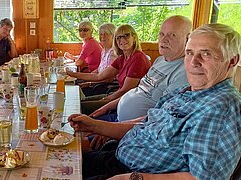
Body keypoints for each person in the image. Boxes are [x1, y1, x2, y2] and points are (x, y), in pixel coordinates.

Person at [69, 23, 241, 180]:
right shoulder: (187, 92)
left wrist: (132, 178)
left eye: (206, 54)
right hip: (118, 154)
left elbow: (202, 178)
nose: (194, 62)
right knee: (58, 157)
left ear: (232, 60)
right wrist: (95, 126)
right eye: (190, 53)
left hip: (130, 172)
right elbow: (147, 122)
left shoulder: (221, 108)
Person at [90, 15, 191, 124]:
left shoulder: (184, 73)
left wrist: (112, 128)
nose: (164, 39)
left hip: (135, 130)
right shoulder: (159, 60)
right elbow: (139, 90)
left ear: (188, 39)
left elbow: (161, 117)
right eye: (161, 34)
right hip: (118, 116)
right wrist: (107, 106)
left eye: (172, 35)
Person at [67, 24, 151, 115]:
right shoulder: (122, 57)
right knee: (77, 103)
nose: (122, 40)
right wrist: (73, 74)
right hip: (117, 95)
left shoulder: (138, 59)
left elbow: (126, 90)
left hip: (127, 102)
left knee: (79, 108)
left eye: (126, 36)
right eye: (118, 37)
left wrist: (108, 98)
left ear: (134, 38)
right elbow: (99, 76)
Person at [79, 23, 117, 96]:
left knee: (75, 91)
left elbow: (108, 79)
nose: (102, 36)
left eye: (106, 34)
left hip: (105, 87)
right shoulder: (104, 50)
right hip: (97, 82)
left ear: (113, 36)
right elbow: (99, 69)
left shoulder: (113, 53)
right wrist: (88, 77)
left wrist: (90, 83)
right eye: (101, 34)